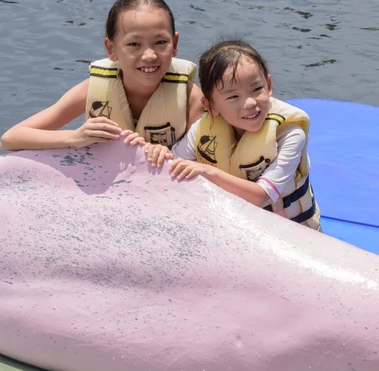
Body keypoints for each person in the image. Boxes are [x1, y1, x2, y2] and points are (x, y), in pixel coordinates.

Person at [135, 39, 321, 230]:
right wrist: (157, 153)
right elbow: (172, 168)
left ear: (269, 84)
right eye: (233, 97)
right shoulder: (202, 129)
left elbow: (261, 195)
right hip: (236, 229)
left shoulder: (289, 133)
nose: (249, 103)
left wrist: (208, 171)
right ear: (210, 105)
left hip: (291, 232)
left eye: (257, 89)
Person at [0, 0, 203, 151]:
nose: (149, 55)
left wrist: (169, 157)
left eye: (160, 42)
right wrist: (76, 137)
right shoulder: (93, 89)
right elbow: (10, 139)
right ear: (111, 49)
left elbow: (204, 163)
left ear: (175, 44)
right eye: (134, 44)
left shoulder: (191, 98)